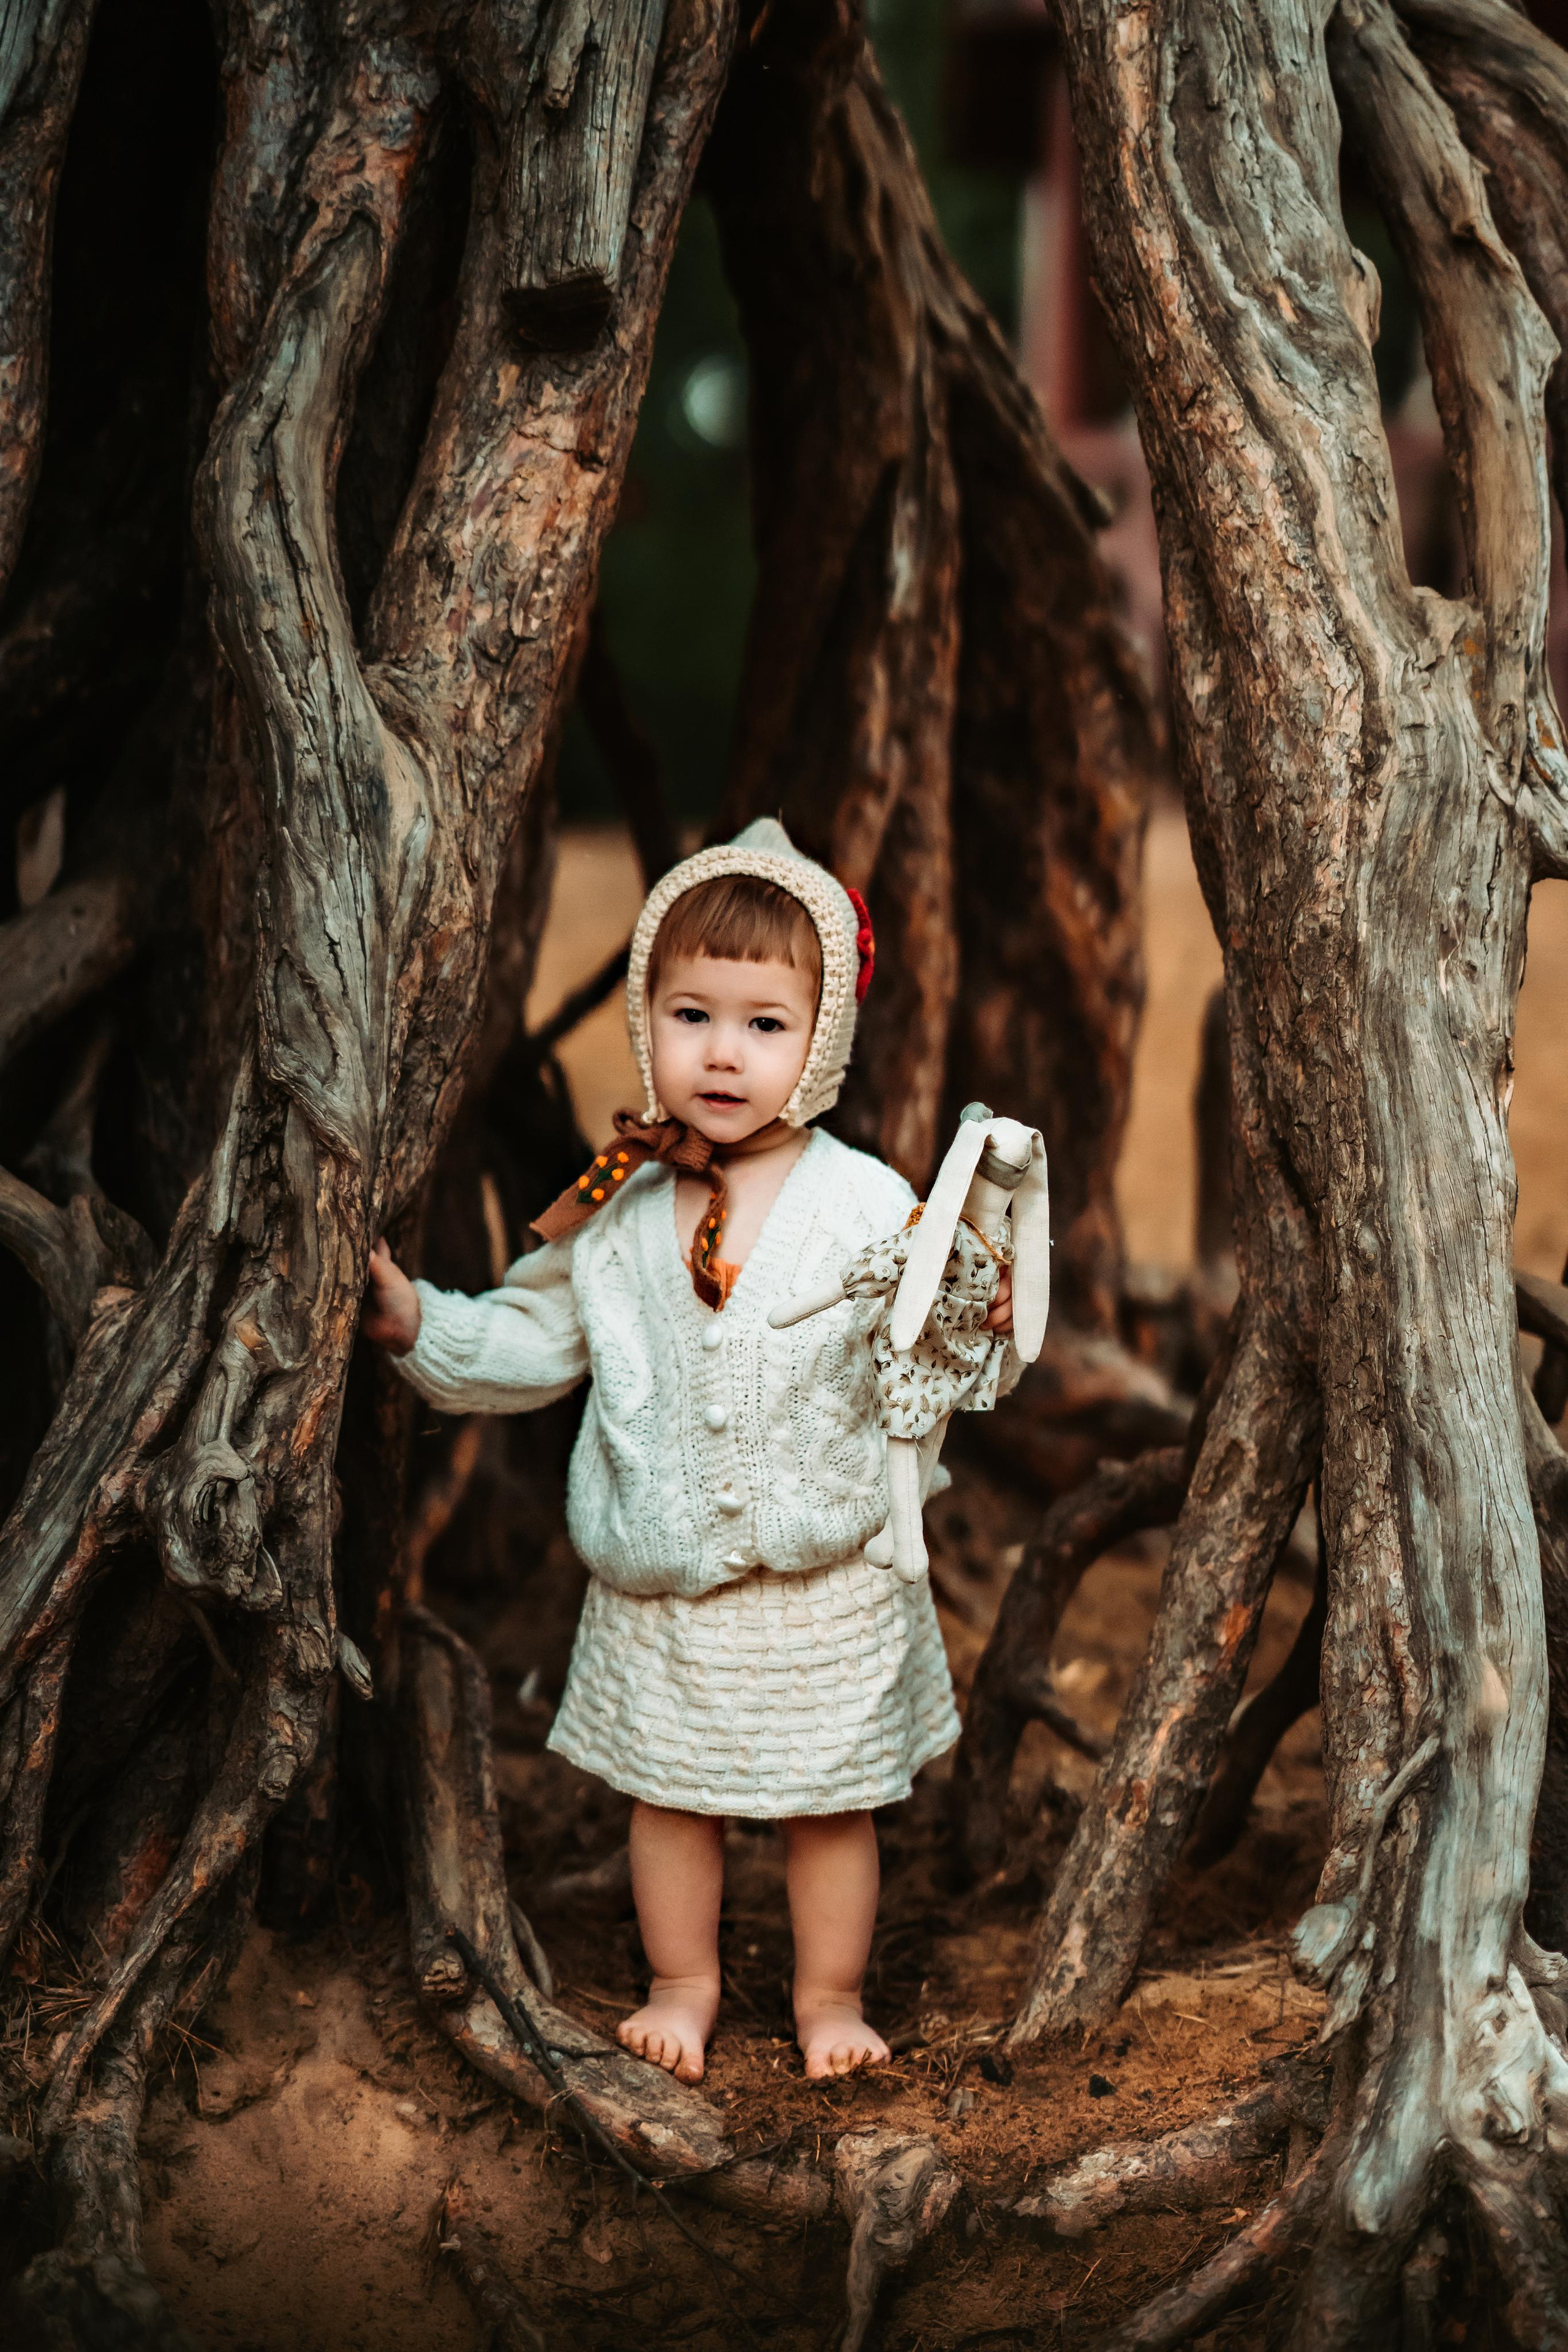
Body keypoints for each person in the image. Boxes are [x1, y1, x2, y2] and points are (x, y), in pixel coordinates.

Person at [363, 820, 1014, 2084]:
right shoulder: (614, 1203)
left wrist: (971, 1309)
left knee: (834, 1806)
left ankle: (829, 1998)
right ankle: (684, 1982)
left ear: (818, 1042)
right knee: (670, 1799)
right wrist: (420, 1327)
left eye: (765, 1025)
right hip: (663, 1589)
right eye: (691, 1014)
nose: (723, 1052)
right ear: (643, 1020)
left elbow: (929, 1350)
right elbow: (540, 1334)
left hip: (823, 1581)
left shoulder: (866, 1199)